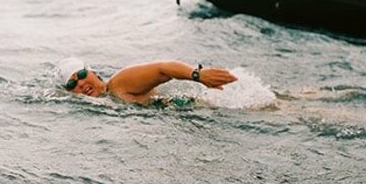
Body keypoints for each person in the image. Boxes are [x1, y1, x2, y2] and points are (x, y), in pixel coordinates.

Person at [57, 58, 238, 106]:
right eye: (72, 84)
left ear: (94, 73)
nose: (80, 83)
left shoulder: (119, 83)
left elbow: (163, 68)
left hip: (209, 106)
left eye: (81, 74)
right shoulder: (107, 100)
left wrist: (198, 75)